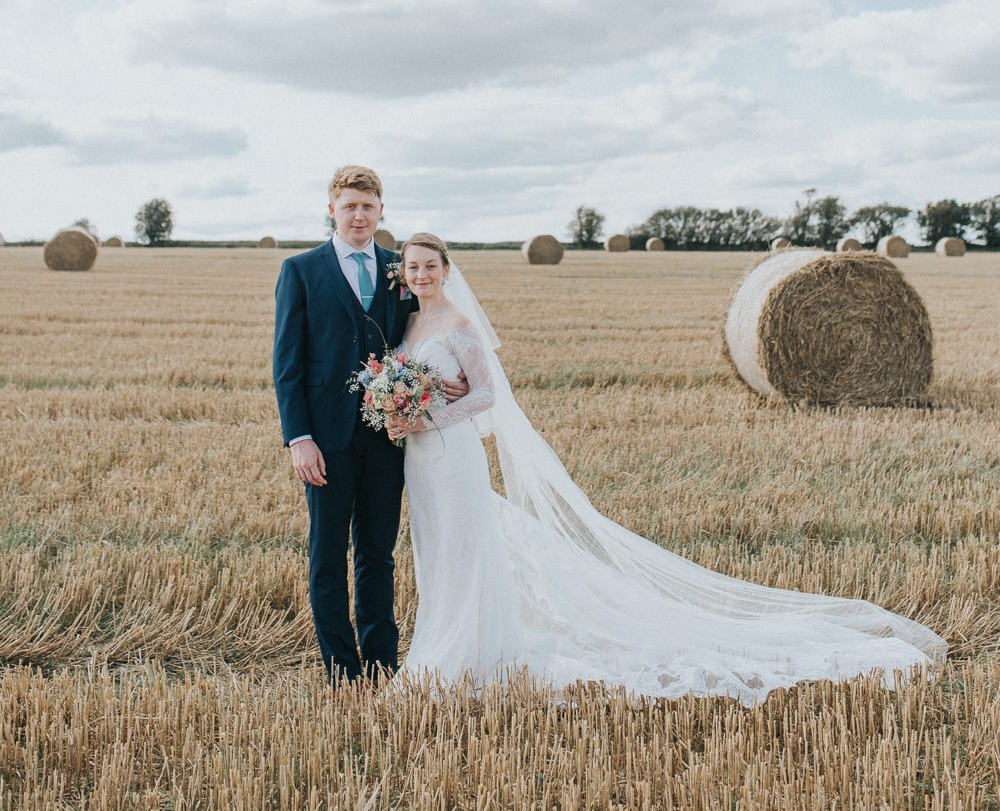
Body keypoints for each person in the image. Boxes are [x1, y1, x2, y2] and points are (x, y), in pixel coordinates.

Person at [386, 232, 947, 701]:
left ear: (446, 269)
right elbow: (418, 385)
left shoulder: (459, 324)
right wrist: (395, 411)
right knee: (438, 550)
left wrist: (425, 420)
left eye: (430, 265)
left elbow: (485, 397)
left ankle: (472, 651)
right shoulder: (409, 325)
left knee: (467, 547)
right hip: (421, 463)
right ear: (404, 272)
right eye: (412, 266)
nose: (421, 274)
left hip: (451, 454)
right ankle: (442, 644)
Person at [271, 165, 467, 682]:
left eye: (368, 206)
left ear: (382, 210)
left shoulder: (398, 269)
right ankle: (341, 668)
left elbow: (433, 331)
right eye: (349, 206)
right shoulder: (300, 270)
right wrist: (299, 438)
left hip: (389, 437)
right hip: (326, 440)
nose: (359, 215)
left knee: (378, 555)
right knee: (328, 554)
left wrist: (458, 381)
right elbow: (287, 364)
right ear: (331, 210)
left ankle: (382, 665)